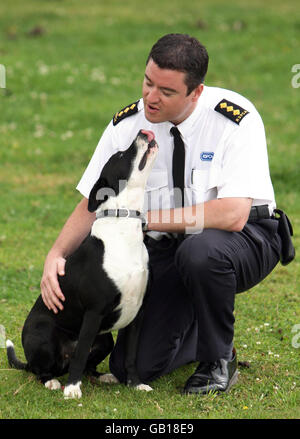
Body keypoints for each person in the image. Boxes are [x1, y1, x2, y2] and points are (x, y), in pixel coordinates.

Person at [40, 33, 282, 395]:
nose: (151, 97)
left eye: (166, 92)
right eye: (148, 82)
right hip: (165, 248)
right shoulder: (127, 125)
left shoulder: (234, 119)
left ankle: (218, 358)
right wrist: (56, 254)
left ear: (195, 93)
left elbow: (232, 215)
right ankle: (195, 321)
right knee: (130, 367)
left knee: (200, 253)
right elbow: (95, 199)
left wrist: (144, 222)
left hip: (243, 239)